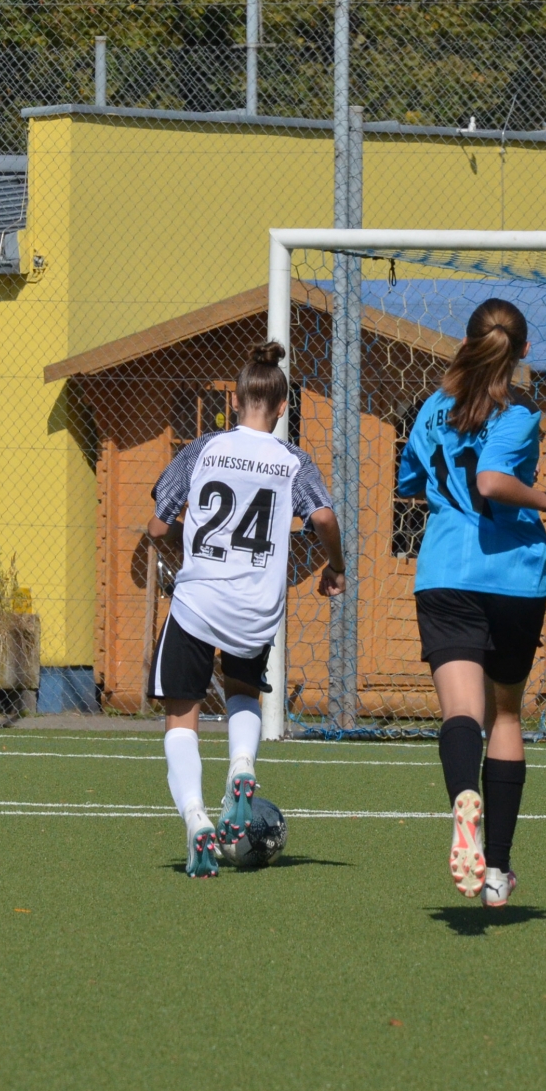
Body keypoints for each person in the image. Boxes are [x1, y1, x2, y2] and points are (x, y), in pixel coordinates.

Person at [396, 298, 546, 907]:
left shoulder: (432, 407)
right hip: (512, 578)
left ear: (467, 342)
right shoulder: (520, 411)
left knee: (461, 713)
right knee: (505, 716)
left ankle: (462, 800)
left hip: (445, 573)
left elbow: (411, 482)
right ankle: (496, 871)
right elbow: (492, 481)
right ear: (524, 350)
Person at [146, 342, 345, 878]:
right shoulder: (293, 461)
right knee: (242, 693)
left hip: (198, 601)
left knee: (181, 718)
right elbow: (324, 518)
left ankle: (196, 818)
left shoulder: (202, 449)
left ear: (234, 401)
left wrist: (184, 540)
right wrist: (336, 565)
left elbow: (159, 524)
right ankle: (241, 767)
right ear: (282, 407)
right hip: (255, 608)